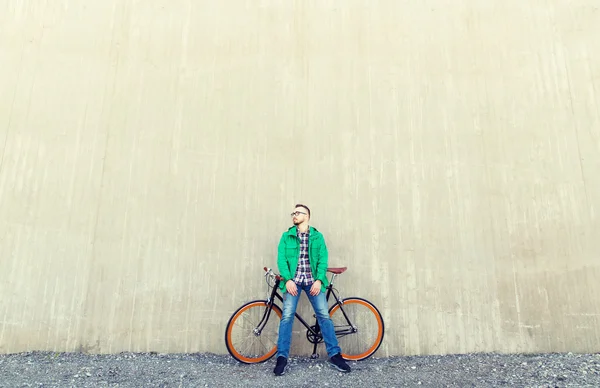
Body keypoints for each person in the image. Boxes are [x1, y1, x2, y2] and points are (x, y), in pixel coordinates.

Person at [273, 204, 351, 376]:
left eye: (298, 213)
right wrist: (287, 280)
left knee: (324, 316)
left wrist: (318, 280)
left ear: (307, 216)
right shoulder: (286, 236)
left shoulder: (317, 237)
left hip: (312, 282)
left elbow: (323, 260)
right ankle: (282, 357)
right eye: (293, 213)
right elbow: (281, 259)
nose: (294, 215)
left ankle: (335, 355)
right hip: (293, 282)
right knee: (286, 317)